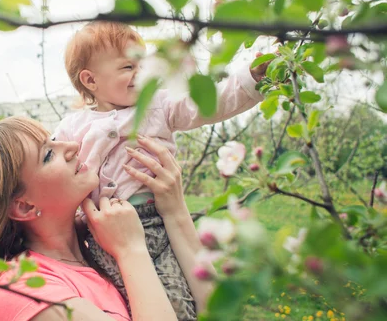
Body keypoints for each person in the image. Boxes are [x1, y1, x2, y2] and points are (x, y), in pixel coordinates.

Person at [55, 21, 268, 319]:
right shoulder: (71, 127)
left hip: (158, 224)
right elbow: (57, 175)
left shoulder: (159, 104)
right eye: (128, 67)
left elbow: (209, 104)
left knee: (177, 301)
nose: (141, 74)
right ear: (90, 80)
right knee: (124, 300)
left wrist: (250, 79)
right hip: (101, 232)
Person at [0, 116, 214, 321]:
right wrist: (131, 251)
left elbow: (215, 310)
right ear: (23, 206)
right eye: (48, 155)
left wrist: (174, 210)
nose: (71, 146)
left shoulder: (97, 245)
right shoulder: (21, 290)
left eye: (53, 140)